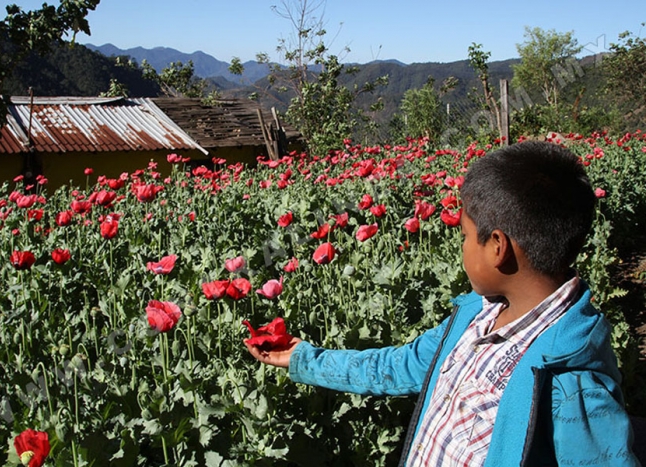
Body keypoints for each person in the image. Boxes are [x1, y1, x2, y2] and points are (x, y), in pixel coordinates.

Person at [244, 141, 641, 466]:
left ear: (498, 247)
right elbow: (398, 366)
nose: (462, 246)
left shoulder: (569, 381)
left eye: (466, 236)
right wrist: (302, 359)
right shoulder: (475, 315)